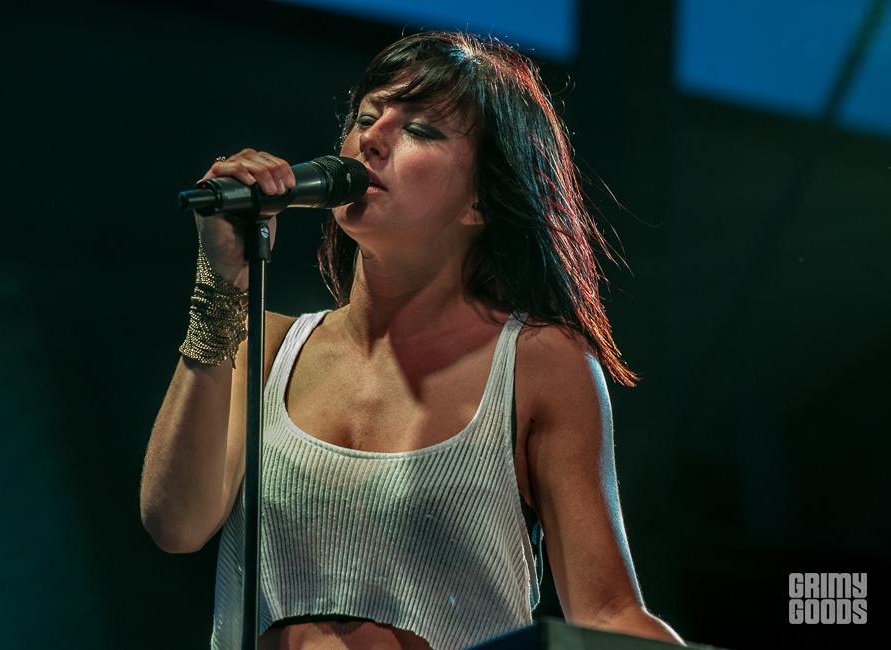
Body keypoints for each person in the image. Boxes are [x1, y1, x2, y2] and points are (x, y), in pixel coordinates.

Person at [140, 31, 685, 650]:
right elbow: (175, 524)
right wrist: (222, 284)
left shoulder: (540, 363)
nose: (371, 139)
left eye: (420, 130)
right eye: (364, 118)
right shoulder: (262, 344)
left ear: (481, 198)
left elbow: (607, 613)